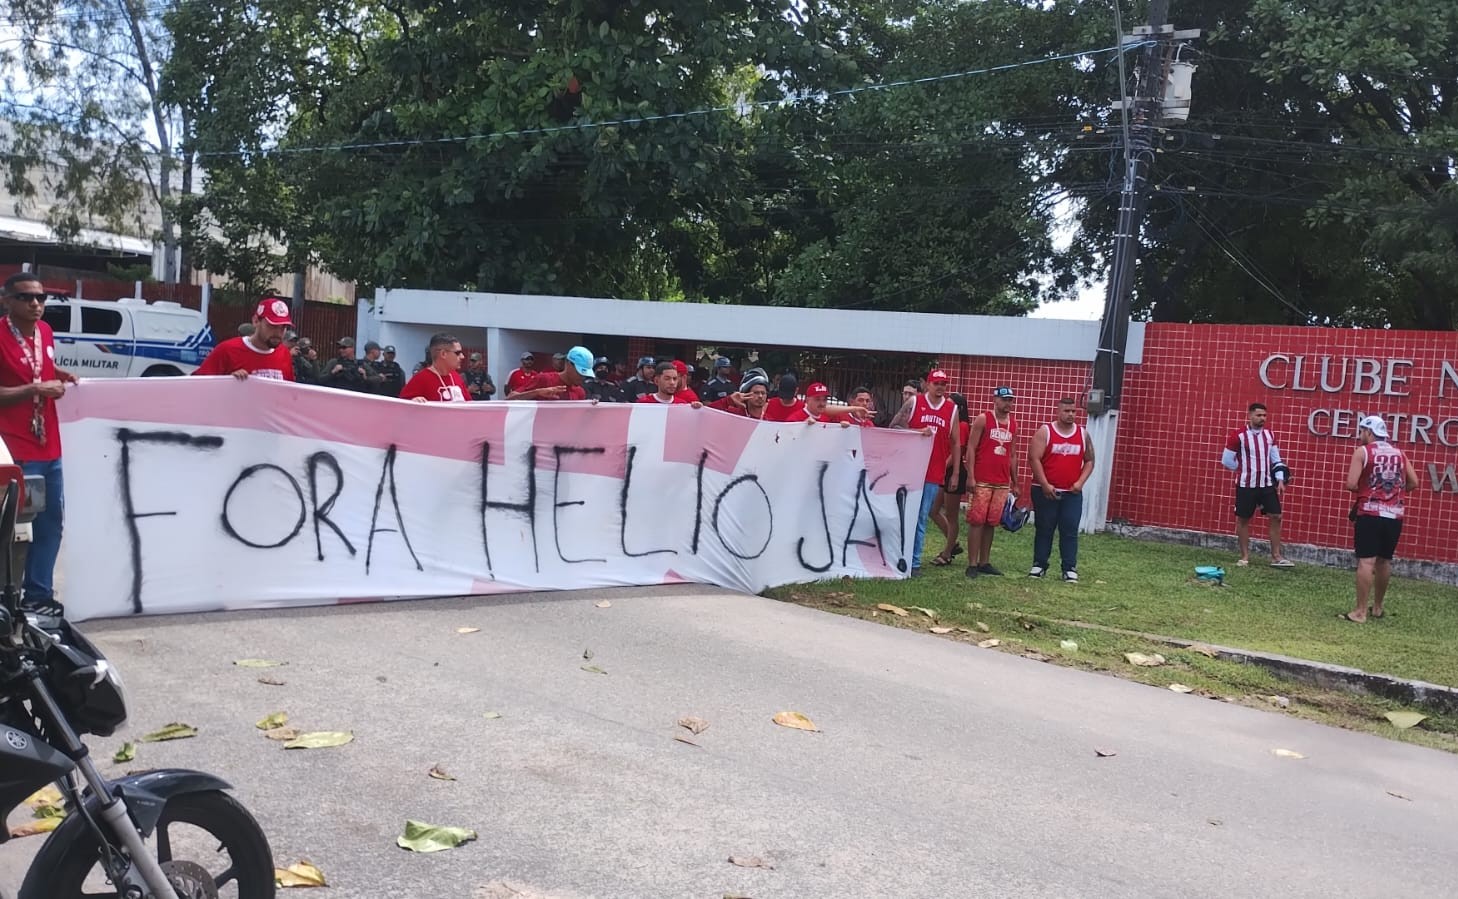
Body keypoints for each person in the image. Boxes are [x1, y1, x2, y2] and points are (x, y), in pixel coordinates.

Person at [0, 272, 78, 621]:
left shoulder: (45, 332)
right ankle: (8, 594)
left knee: (50, 524)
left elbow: (38, 369)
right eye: (27, 297)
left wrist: (58, 374)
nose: (36, 304)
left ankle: (38, 595)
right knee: (16, 528)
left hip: (49, 445)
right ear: (7, 301)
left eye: (41, 298)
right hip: (15, 447)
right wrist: (36, 389)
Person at [1342, 416, 1418, 623]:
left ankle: (1360, 612)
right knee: (1385, 561)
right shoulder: (1400, 453)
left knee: (1366, 561)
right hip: (1394, 515)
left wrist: (1370, 491)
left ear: (1369, 432)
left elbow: (1351, 483)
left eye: (1361, 431)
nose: (1360, 435)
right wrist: (1393, 494)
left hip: (1370, 513)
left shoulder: (1363, 452)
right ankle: (1377, 608)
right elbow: (1414, 482)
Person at [890, 369, 958, 577]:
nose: (940, 387)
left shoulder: (951, 409)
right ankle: (897, 554)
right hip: (911, 468)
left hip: (933, 471)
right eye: (936, 383)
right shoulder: (915, 403)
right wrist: (917, 432)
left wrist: (955, 473)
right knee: (902, 514)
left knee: (920, 516)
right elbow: (894, 427)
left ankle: (914, 561)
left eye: (943, 384)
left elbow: (956, 442)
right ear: (927, 384)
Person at [1028, 397, 1096, 581]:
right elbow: (1034, 458)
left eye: (1073, 411)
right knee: (1044, 527)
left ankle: (1069, 568)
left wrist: (1080, 482)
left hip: (1071, 493)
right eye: (1066, 411)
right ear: (1058, 412)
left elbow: (1090, 460)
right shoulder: (1045, 431)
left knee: (1069, 528)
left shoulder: (1082, 434)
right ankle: (1039, 565)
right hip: (1046, 491)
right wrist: (1044, 484)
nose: (1070, 415)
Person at [1221, 402, 1294, 567]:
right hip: (1246, 485)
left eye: (1264, 416)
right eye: (1259, 415)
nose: (1262, 418)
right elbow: (1226, 460)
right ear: (1250, 415)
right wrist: (1242, 470)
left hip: (1267, 484)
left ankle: (1276, 557)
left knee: (1276, 516)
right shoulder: (1238, 435)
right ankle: (1244, 556)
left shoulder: (1270, 435)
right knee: (1244, 519)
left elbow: (1276, 459)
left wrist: (1281, 479)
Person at [964, 385, 1017, 578]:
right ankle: (971, 563)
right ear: (995, 400)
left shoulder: (1013, 423)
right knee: (977, 521)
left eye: (1010, 400)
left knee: (991, 522)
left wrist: (1016, 481)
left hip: (1001, 481)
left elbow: (1012, 454)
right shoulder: (983, 419)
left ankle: (984, 561)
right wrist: (970, 475)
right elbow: (971, 447)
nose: (1008, 403)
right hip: (982, 479)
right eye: (1004, 400)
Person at [194, 297, 295, 381]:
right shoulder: (227, 350)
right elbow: (197, 385)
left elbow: (288, 393)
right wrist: (228, 382)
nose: (278, 332)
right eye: (272, 326)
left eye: (283, 327)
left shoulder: (284, 354)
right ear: (256, 321)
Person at [929, 393, 970, 566]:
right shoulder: (951, 423)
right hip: (944, 470)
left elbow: (956, 453)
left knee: (951, 515)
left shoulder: (962, 425)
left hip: (954, 471)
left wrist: (940, 468)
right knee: (933, 510)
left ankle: (947, 553)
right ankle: (952, 544)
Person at [399, 333, 469, 402]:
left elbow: (469, 404)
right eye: (457, 353)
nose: (462, 356)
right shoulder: (421, 379)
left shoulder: (456, 377)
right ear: (443, 354)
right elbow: (401, 405)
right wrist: (413, 401)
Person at [510, 346, 592, 400]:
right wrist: (536, 392)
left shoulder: (580, 392)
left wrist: (593, 409)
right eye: (580, 372)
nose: (582, 376)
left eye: (586, 373)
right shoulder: (544, 379)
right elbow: (510, 399)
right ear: (568, 364)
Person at [636, 361, 701, 406]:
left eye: (675, 379)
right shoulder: (643, 403)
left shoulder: (682, 404)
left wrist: (697, 410)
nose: (672, 382)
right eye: (667, 378)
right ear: (656, 380)